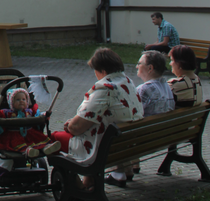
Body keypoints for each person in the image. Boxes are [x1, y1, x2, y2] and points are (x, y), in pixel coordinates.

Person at [51, 48, 142, 187]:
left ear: (103, 71)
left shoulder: (106, 88)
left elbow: (76, 127)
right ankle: (89, 182)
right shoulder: (128, 82)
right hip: (125, 144)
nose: (95, 74)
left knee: (54, 139)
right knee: (95, 131)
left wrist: (70, 125)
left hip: (104, 149)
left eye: (95, 70)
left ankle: (77, 189)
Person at [109, 50, 174, 185]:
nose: (136, 66)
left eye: (139, 63)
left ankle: (118, 173)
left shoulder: (144, 89)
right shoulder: (166, 85)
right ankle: (130, 168)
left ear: (150, 68)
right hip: (162, 136)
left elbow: (130, 114)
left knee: (114, 129)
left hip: (144, 138)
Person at [0, 88, 61, 158]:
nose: (21, 101)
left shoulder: (30, 111)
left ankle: (46, 147)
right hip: (14, 134)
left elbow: (37, 115)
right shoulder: (6, 112)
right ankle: (28, 151)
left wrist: (44, 115)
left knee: (38, 139)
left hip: (29, 133)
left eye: (23, 99)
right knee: (18, 143)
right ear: (11, 102)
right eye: (18, 99)